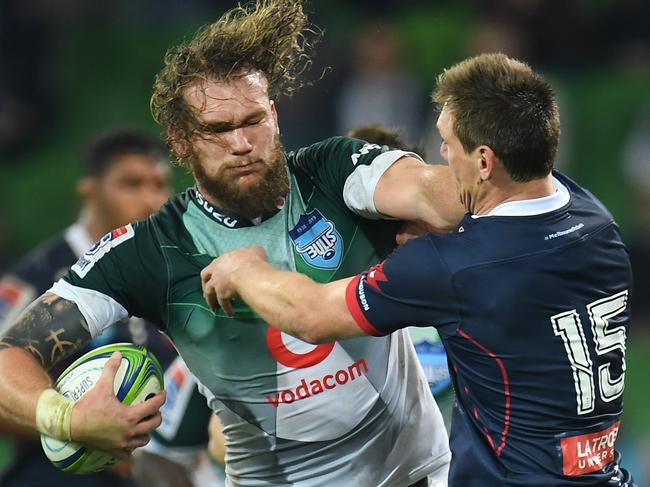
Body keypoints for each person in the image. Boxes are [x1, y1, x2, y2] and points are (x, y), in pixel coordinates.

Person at [0, 1, 464, 486]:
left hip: (417, 476)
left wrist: (469, 188)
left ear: (275, 115)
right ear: (179, 140)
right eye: (219, 130)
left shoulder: (333, 171)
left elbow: (432, 189)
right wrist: (65, 419)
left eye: (254, 121)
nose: (242, 143)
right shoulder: (151, 250)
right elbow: (11, 355)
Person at [201, 53, 637, 486]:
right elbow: (505, 232)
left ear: (484, 162)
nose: (442, 153)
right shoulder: (594, 219)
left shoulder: (452, 267)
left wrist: (244, 267)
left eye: (448, 143)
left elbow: (311, 315)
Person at [0, 128, 175, 487]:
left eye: (159, 185)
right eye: (131, 184)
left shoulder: (174, 275)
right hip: (59, 471)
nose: (149, 200)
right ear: (90, 192)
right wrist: (78, 430)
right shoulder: (37, 279)